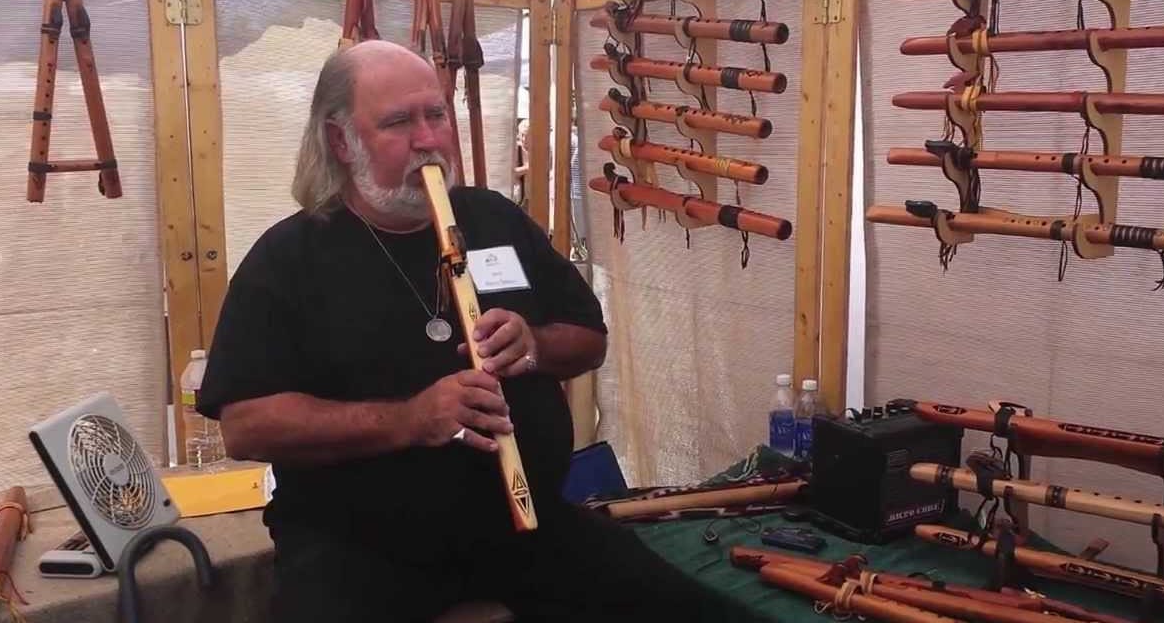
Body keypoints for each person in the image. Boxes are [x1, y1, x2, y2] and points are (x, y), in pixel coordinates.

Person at [196, 41, 757, 622]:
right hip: (357, 547)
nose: (428, 139)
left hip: (522, 524)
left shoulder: (493, 218)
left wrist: (535, 346)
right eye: (398, 122)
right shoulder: (289, 258)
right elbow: (246, 426)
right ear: (341, 141)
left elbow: (590, 338)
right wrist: (412, 419)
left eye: (436, 114)